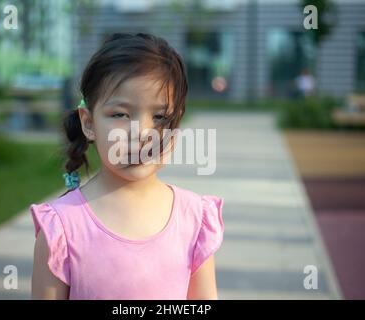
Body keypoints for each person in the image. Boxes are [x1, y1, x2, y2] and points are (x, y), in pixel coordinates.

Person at [30, 33, 225, 300]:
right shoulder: (62, 229)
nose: (142, 132)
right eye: (120, 114)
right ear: (88, 123)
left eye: (159, 117)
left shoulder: (195, 219)